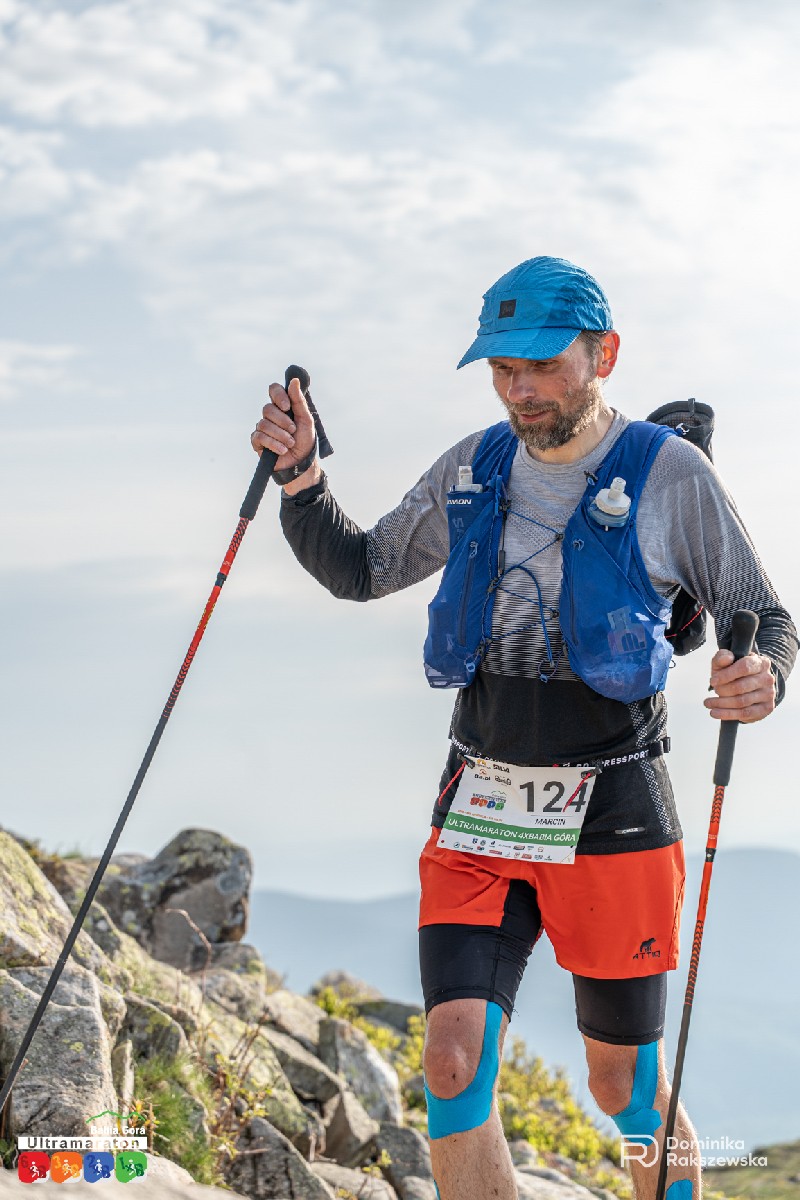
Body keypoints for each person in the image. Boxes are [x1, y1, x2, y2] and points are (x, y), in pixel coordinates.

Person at [251, 256, 797, 1200]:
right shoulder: (474, 466)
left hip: (615, 806)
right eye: (503, 368)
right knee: (452, 1063)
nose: (519, 388)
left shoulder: (671, 475)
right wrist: (301, 478)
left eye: (543, 365)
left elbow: (771, 618)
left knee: (623, 1087)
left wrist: (766, 676)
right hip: (482, 799)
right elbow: (363, 568)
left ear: (603, 355)